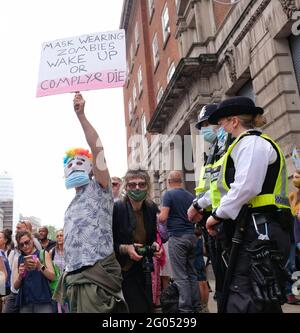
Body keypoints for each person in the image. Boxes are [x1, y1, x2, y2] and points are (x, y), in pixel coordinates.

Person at [194, 96, 291, 313]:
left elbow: (247, 187)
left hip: (260, 229)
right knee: (260, 294)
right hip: (256, 226)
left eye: (223, 122)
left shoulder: (251, 143)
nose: (221, 127)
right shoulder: (244, 145)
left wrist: (217, 215)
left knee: (248, 293)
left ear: (234, 121)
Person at [53, 92, 127, 313]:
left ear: (91, 167)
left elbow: (98, 149)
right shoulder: (71, 205)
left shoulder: (100, 187)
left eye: (80, 161)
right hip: (75, 278)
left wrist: (81, 116)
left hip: (97, 276)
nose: (75, 165)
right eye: (70, 163)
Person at [112, 168, 161, 313]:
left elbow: (151, 239)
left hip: (144, 268)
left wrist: (154, 246)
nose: (137, 188)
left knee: (147, 306)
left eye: (141, 184)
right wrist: (126, 248)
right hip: (123, 270)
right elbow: (109, 243)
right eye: (132, 185)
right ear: (126, 188)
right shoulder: (118, 209)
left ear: (147, 186)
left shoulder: (151, 208)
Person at [158, 170, 200, 313]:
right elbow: (196, 217)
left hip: (177, 237)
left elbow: (163, 218)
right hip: (191, 236)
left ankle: (185, 310)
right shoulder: (190, 195)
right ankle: (196, 307)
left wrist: (156, 217)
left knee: (180, 276)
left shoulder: (168, 195)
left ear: (168, 182)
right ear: (180, 181)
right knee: (192, 274)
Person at [14, 231, 55, 313]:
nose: (25, 246)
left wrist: (40, 266)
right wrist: (20, 276)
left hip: (43, 301)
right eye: (21, 245)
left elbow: (52, 276)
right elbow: (15, 286)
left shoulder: (43, 254)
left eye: (27, 242)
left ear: (32, 240)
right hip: (26, 302)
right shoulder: (20, 259)